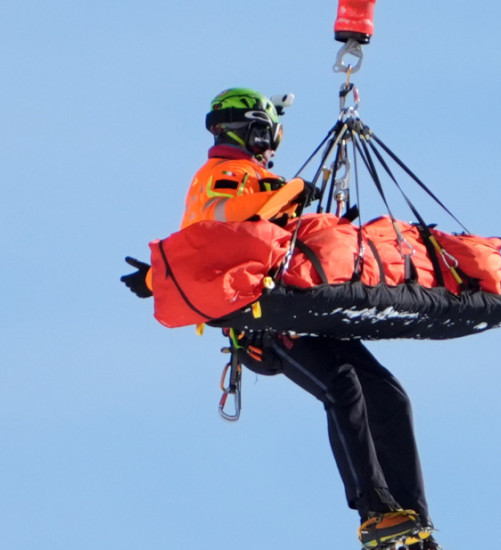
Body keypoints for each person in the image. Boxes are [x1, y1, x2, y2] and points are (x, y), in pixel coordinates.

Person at [121, 88, 438, 550]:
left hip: (299, 307)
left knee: (390, 395)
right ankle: (376, 512)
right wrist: (287, 193)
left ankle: (414, 525)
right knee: (342, 386)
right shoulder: (222, 174)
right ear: (248, 130)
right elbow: (218, 223)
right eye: (267, 136)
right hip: (263, 320)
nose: (271, 148)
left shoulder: (258, 178)